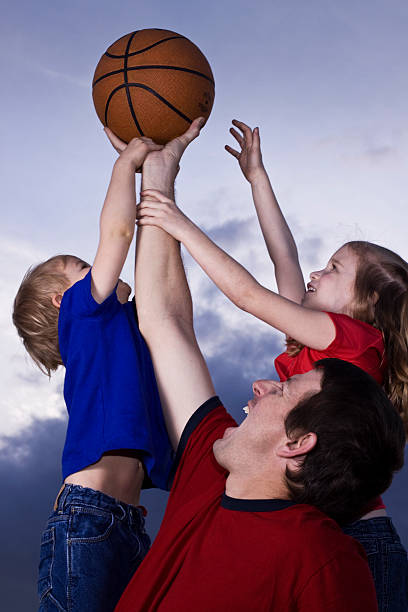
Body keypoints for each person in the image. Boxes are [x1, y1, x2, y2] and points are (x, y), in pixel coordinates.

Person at [110, 129, 405, 611]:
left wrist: (177, 220)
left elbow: (249, 296)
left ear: (367, 302)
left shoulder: (355, 348)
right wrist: (255, 177)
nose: (315, 273)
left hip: (361, 530)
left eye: (333, 269)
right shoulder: (311, 349)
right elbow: (282, 256)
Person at [12, 136, 175, 611]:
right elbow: (119, 235)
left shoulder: (120, 327)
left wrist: (161, 176)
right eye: (83, 266)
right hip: (87, 518)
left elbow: (153, 270)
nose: (97, 265)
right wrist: (126, 164)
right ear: (62, 302)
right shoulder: (81, 315)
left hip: (126, 523)